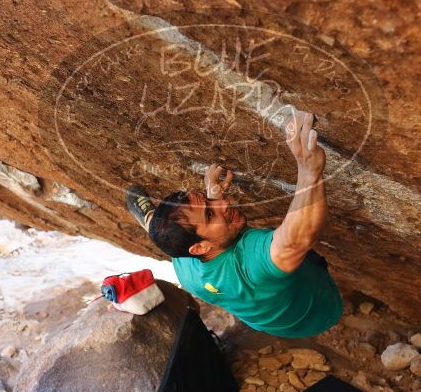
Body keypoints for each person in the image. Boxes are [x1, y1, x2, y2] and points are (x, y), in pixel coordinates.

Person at [125, 110, 343, 337]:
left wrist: (211, 196)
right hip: (320, 311)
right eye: (211, 214)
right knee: (303, 257)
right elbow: (297, 239)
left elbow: (157, 230)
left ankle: (177, 219)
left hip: (269, 324)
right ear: (200, 247)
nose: (224, 204)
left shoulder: (184, 267)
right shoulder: (249, 264)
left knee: (165, 231)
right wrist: (309, 171)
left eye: (209, 202)